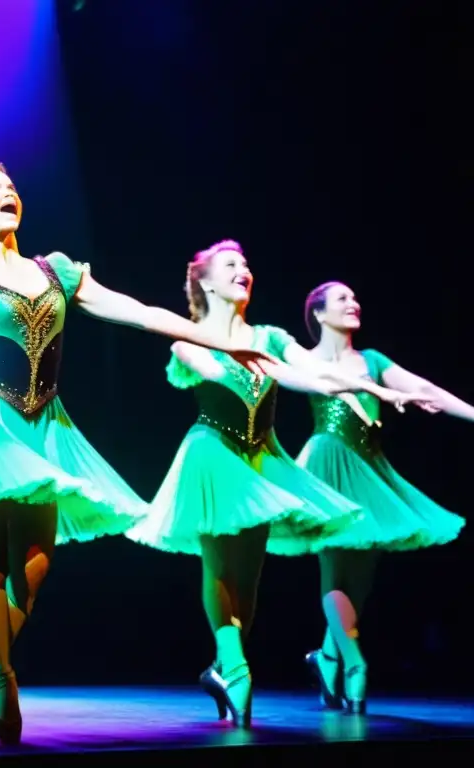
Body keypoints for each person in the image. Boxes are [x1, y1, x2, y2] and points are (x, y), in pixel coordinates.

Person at [0, 163, 274, 745]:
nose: (8, 193)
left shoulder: (57, 271)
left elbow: (139, 311)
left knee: (38, 563)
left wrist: (218, 339)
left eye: (12, 187)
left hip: (45, 425)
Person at [126, 241, 423, 728]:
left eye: (245, 264)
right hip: (213, 452)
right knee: (219, 563)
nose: (243, 270)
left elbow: (312, 373)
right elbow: (212, 369)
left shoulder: (272, 336)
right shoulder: (189, 337)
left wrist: (365, 386)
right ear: (205, 282)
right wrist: (251, 359)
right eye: (230, 265)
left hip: (263, 458)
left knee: (247, 579)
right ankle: (236, 666)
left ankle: (223, 668)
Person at [297, 281, 468, 714]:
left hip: (370, 469)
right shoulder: (304, 358)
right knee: (336, 566)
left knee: (361, 578)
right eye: (342, 299)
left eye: (356, 297)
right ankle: (354, 664)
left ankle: (327, 657)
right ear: (318, 313)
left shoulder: (372, 360)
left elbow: (425, 388)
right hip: (328, 464)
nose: (354, 303)